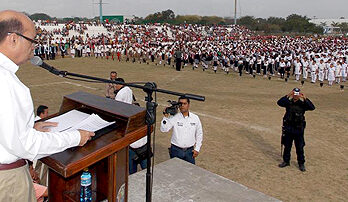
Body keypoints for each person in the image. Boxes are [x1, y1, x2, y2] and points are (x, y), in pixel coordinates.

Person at [0, 10, 95, 201]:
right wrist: (75, 137)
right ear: (13, 39)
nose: (34, 47)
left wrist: (28, 128)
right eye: (32, 40)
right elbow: (26, 146)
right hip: (7, 181)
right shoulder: (7, 83)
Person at [277, 88, 315, 172]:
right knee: (287, 146)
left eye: (297, 94)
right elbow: (279, 102)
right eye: (294, 94)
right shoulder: (288, 102)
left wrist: (305, 98)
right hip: (288, 127)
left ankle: (301, 163)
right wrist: (288, 95)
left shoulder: (302, 104)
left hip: (298, 128)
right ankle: (286, 161)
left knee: (299, 147)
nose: (295, 96)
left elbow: (312, 107)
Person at [160, 96, 203, 164]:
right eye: (180, 104)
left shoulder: (195, 118)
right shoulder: (174, 117)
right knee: (176, 172)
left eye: (184, 103)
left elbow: (199, 134)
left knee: (190, 172)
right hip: (176, 150)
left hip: (190, 151)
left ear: (188, 105)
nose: (182, 106)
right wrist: (165, 117)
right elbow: (164, 129)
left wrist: (197, 149)